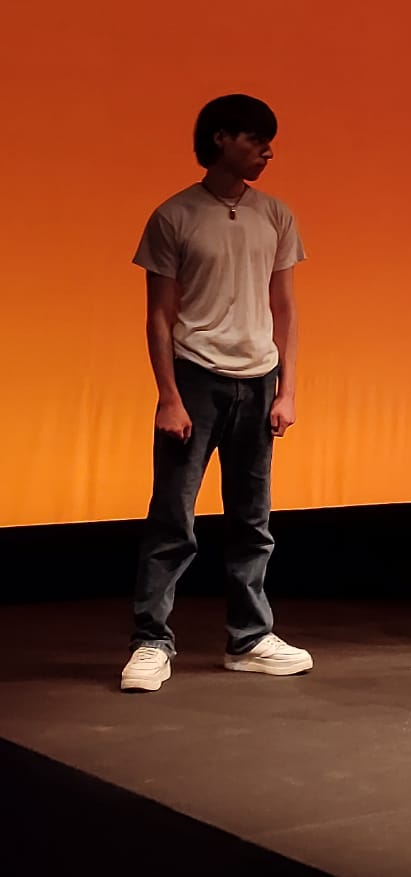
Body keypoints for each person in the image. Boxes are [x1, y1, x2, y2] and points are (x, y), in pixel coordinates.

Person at [121, 94, 312, 693]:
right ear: (222, 139)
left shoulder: (275, 215)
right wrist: (168, 396)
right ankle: (151, 641)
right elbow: (159, 315)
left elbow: (284, 307)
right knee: (173, 516)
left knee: (252, 519)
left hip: (257, 381)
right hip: (196, 379)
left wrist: (287, 389)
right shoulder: (174, 215)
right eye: (255, 138)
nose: (266, 150)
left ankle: (249, 638)